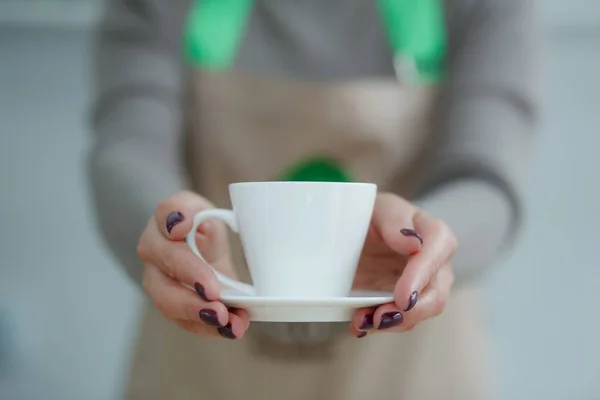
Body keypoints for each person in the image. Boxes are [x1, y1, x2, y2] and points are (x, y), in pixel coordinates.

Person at [88, 0, 538, 398]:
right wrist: (165, 231)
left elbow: (485, 173)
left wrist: (427, 248)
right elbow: (130, 145)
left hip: (412, 374)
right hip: (197, 374)